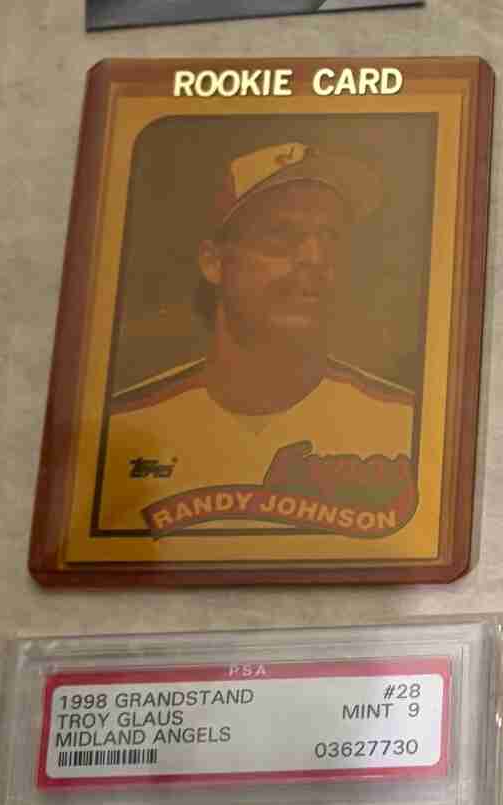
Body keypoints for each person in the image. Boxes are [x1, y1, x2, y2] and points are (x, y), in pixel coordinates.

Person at [98, 140, 417, 537]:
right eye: (281, 235)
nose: (315, 257)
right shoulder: (125, 427)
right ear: (214, 262)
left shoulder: (405, 422)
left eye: (331, 237)